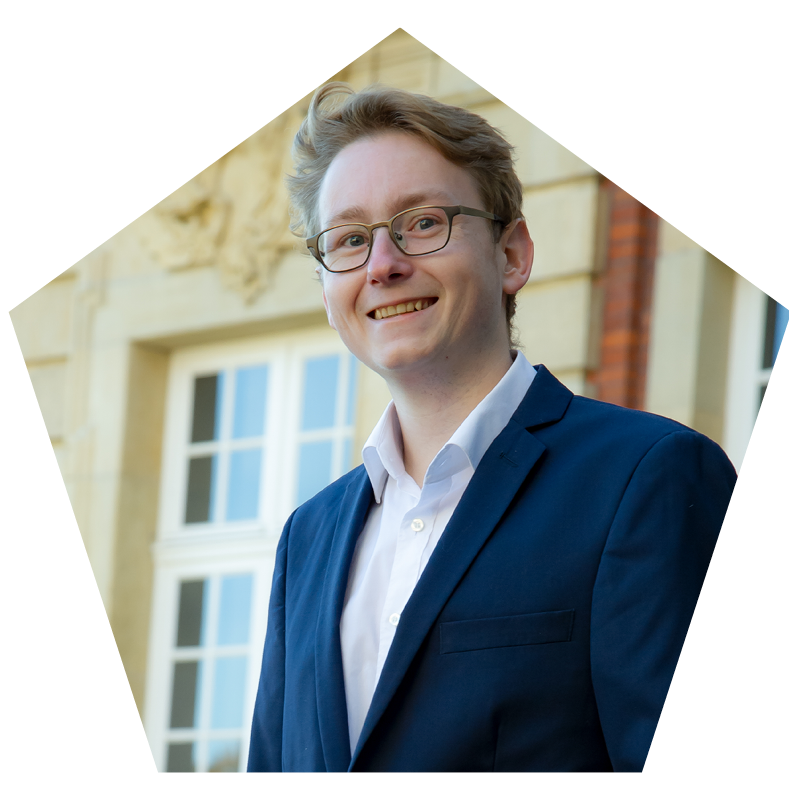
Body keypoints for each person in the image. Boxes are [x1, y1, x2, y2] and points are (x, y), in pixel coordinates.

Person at [247, 82, 736, 772]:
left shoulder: (648, 476)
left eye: (423, 223)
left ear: (511, 256)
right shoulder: (308, 537)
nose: (383, 265)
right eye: (350, 240)